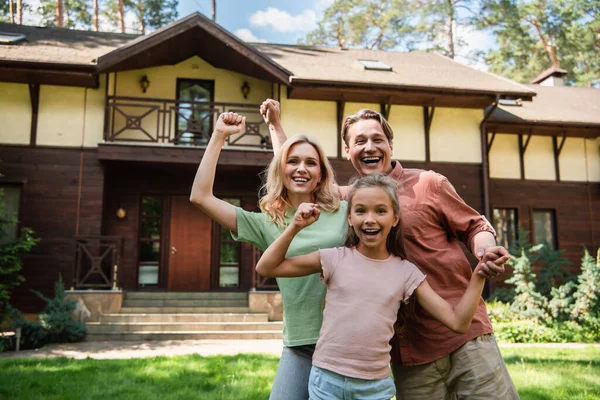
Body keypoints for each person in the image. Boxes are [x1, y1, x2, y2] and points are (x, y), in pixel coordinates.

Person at [262, 100, 519, 399]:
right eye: (359, 141)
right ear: (348, 151)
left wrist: (485, 252)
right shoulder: (349, 200)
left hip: (464, 335)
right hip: (408, 353)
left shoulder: (429, 183)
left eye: (377, 139)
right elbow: (298, 175)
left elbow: (475, 226)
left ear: (391, 146)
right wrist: (276, 127)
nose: (369, 147)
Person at [190, 111, 348, 400]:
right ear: (281, 169)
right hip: (300, 343)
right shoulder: (266, 222)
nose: (301, 168)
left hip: (345, 341)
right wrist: (219, 136)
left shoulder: (342, 212)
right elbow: (201, 197)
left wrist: (276, 126)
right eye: (293, 162)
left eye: (311, 163)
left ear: (321, 174)